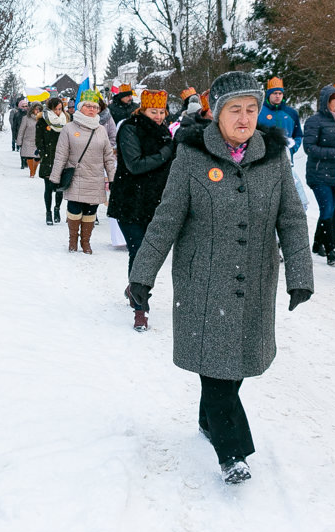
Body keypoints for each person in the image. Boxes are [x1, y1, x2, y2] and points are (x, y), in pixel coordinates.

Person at [126, 71, 314, 485]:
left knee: (237, 363)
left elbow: (292, 219)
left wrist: (300, 274)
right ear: (216, 114)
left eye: (252, 109)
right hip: (203, 284)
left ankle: (209, 420)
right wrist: (143, 276)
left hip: (253, 281)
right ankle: (233, 453)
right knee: (217, 367)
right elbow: (166, 219)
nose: (245, 118)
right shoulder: (191, 157)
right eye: (235, 110)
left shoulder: (274, 157)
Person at [107, 90, 175, 331]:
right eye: (153, 111)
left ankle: (133, 288)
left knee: (149, 254)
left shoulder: (164, 131)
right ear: (142, 110)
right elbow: (135, 165)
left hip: (155, 203)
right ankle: (140, 309)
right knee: (139, 253)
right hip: (130, 202)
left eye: (161, 112)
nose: (158, 116)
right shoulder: (130, 129)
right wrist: (167, 152)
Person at [49, 96, 116, 254]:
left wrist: (112, 177)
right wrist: (55, 177)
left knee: (90, 211)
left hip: (95, 177)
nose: (92, 109)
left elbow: (108, 156)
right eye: (88, 106)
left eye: (95, 107)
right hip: (76, 176)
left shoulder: (100, 130)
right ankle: (73, 240)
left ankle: (86, 242)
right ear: (80, 108)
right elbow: (61, 155)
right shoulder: (69, 128)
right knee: (74, 209)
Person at [303, 85, 335, 265]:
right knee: (328, 209)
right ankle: (331, 250)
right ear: (326, 103)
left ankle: (317, 243)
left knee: (332, 211)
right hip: (319, 174)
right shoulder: (315, 121)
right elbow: (309, 148)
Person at [36, 97, 67, 225]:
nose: (58, 112)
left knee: (59, 187)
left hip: (61, 158)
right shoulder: (43, 121)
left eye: (60, 109)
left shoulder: (66, 121)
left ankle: (57, 209)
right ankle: (48, 212)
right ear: (51, 109)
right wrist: (44, 154)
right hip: (48, 158)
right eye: (56, 109)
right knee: (48, 187)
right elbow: (38, 140)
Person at [258, 77, 303, 160]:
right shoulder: (259, 112)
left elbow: (298, 135)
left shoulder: (291, 113)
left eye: (280, 93)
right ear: (269, 94)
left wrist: (292, 149)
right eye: (274, 93)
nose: (277, 96)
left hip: (286, 158)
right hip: (263, 158)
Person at [16, 102, 42, 177]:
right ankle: (32, 172)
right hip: (28, 141)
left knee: (38, 158)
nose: (37, 111)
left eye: (39, 109)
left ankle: (34, 170)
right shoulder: (26, 118)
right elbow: (21, 130)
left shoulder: (42, 119)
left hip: (39, 142)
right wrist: (19, 142)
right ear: (32, 109)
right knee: (29, 157)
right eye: (36, 109)